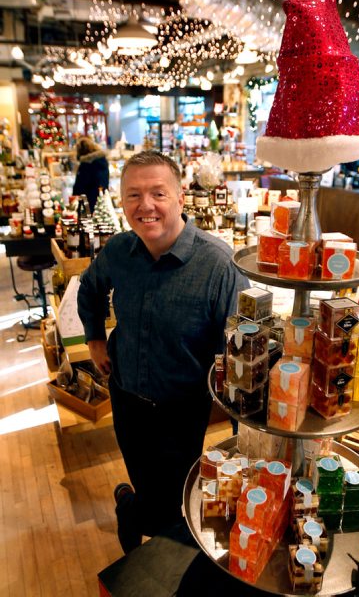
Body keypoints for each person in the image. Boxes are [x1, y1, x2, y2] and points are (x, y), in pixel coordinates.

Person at [77, 150, 248, 553]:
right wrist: (95, 337)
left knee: (178, 498)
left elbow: (243, 348)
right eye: (134, 195)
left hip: (182, 406)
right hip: (126, 394)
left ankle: (132, 515)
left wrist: (244, 430)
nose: (146, 206)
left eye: (158, 193)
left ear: (181, 197)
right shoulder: (119, 251)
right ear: (121, 201)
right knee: (145, 477)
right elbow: (89, 289)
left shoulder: (218, 264)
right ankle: (134, 506)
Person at [73, 137, 109, 212]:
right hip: (101, 198)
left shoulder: (86, 164)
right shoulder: (102, 161)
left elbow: (80, 185)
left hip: (88, 201)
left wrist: (74, 196)